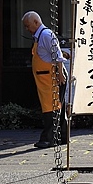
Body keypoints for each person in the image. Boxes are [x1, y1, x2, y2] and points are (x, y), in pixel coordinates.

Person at [22, 11, 70, 148]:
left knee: (52, 108)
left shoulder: (46, 35)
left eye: (28, 25)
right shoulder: (39, 36)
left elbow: (58, 56)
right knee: (56, 107)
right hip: (45, 78)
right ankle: (62, 137)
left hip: (52, 77)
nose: (27, 29)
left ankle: (48, 138)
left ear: (36, 22)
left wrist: (60, 74)